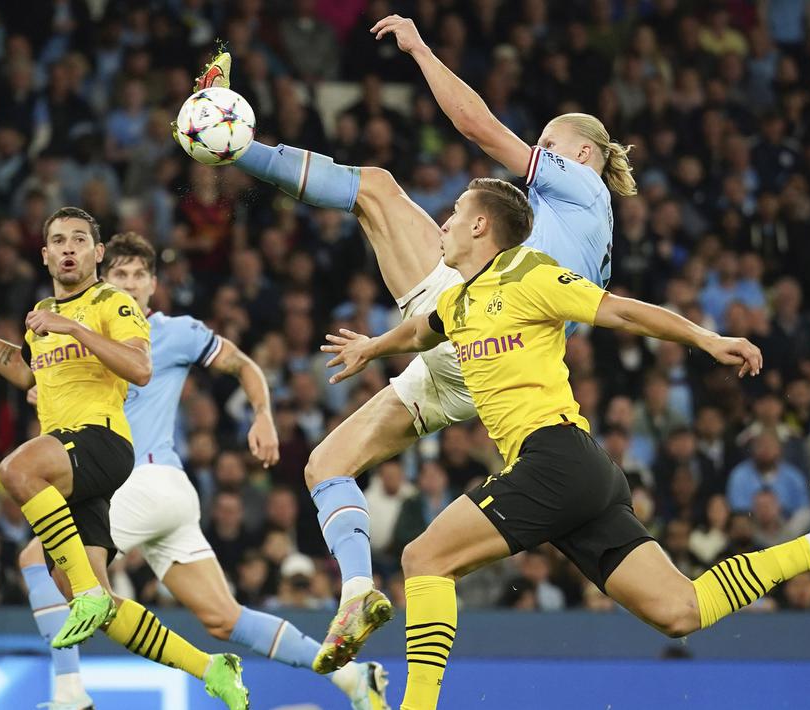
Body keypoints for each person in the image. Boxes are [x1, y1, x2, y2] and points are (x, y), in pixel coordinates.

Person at [322, 179, 810, 707]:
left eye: (454, 213)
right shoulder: (457, 300)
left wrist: (707, 340)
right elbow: (422, 330)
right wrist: (372, 347)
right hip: (579, 477)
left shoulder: (530, 274)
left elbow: (624, 313)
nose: (443, 223)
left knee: (424, 558)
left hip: (555, 458)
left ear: (480, 225)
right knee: (680, 610)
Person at [188, 15, 638, 665]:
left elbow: (479, 127)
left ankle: (233, 146)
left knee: (373, 188)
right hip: (480, 370)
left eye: (549, 143)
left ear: (585, 155)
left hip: (479, 324)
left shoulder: (581, 183)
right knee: (325, 465)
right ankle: (356, 593)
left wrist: (421, 50)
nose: (538, 153)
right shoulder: (591, 238)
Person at [18, 232, 387, 710]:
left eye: (139, 275)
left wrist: (263, 415)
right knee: (224, 618)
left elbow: (243, 364)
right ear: (104, 281)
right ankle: (354, 679)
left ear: (154, 285)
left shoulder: (175, 332)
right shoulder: (82, 335)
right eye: (120, 274)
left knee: (41, 558)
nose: (130, 283)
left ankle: (69, 692)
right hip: (161, 496)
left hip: (145, 481)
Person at [0, 207, 248, 708]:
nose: (68, 247)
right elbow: (22, 369)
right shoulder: (42, 313)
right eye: (58, 240)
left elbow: (140, 367)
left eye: (78, 239)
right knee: (85, 594)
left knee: (15, 470)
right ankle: (211, 667)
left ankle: (84, 623)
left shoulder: (112, 301)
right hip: (71, 462)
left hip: (101, 441)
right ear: (44, 254)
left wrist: (73, 329)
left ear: (97, 253)